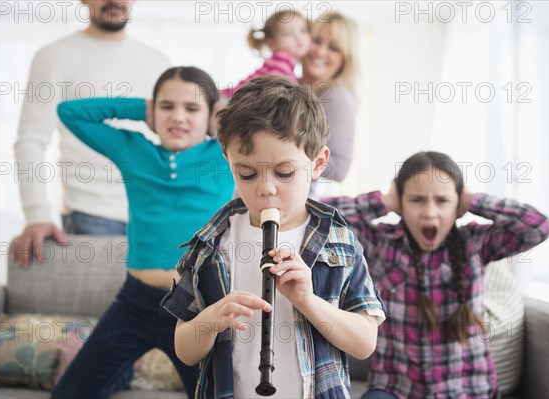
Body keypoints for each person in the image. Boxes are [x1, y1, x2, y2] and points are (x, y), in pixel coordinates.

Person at [161, 75, 386, 399]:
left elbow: (365, 343)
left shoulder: (339, 241)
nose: (266, 187)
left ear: (318, 163)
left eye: (284, 172)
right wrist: (211, 319)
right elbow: (185, 349)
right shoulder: (212, 244)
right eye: (247, 173)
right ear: (229, 161)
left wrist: (308, 302)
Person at [51, 66, 235, 399]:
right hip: (134, 304)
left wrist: (224, 112)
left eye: (192, 108)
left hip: (198, 306)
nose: (178, 116)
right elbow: (70, 112)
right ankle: (119, 376)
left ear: (209, 116)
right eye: (167, 106)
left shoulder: (225, 155)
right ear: (153, 111)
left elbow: (268, 123)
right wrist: (140, 108)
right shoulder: (134, 151)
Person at [322, 151, 549, 399]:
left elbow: (539, 226)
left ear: (458, 205)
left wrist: (474, 200)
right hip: (396, 389)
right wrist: (385, 200)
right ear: (401, 204)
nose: (430, 212)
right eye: (417, 200)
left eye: (442, 201)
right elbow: (321, 216)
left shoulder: (475, 243)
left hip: (466, 391)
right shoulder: (381, 243)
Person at [13, 0, 170, 267]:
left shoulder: (157, 61)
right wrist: (37, 213)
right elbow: (31, 139)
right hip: (90, 214)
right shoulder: (53, 57)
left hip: (153, 214)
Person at [300, 12, 359, 197]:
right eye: (317, 40)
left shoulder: (336, 95)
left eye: (333, 47)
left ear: (345, 58)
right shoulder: (290, 83)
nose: (320, 52)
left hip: (295, 206)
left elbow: (340, 167)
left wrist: (289, 154)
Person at [220, 9, 310, 98]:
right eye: (288, 34)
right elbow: (277, 94)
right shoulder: (282, 61)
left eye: (303, 31)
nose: (298, 37)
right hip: (230, 99)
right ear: (272, 43)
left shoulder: (283, 63)